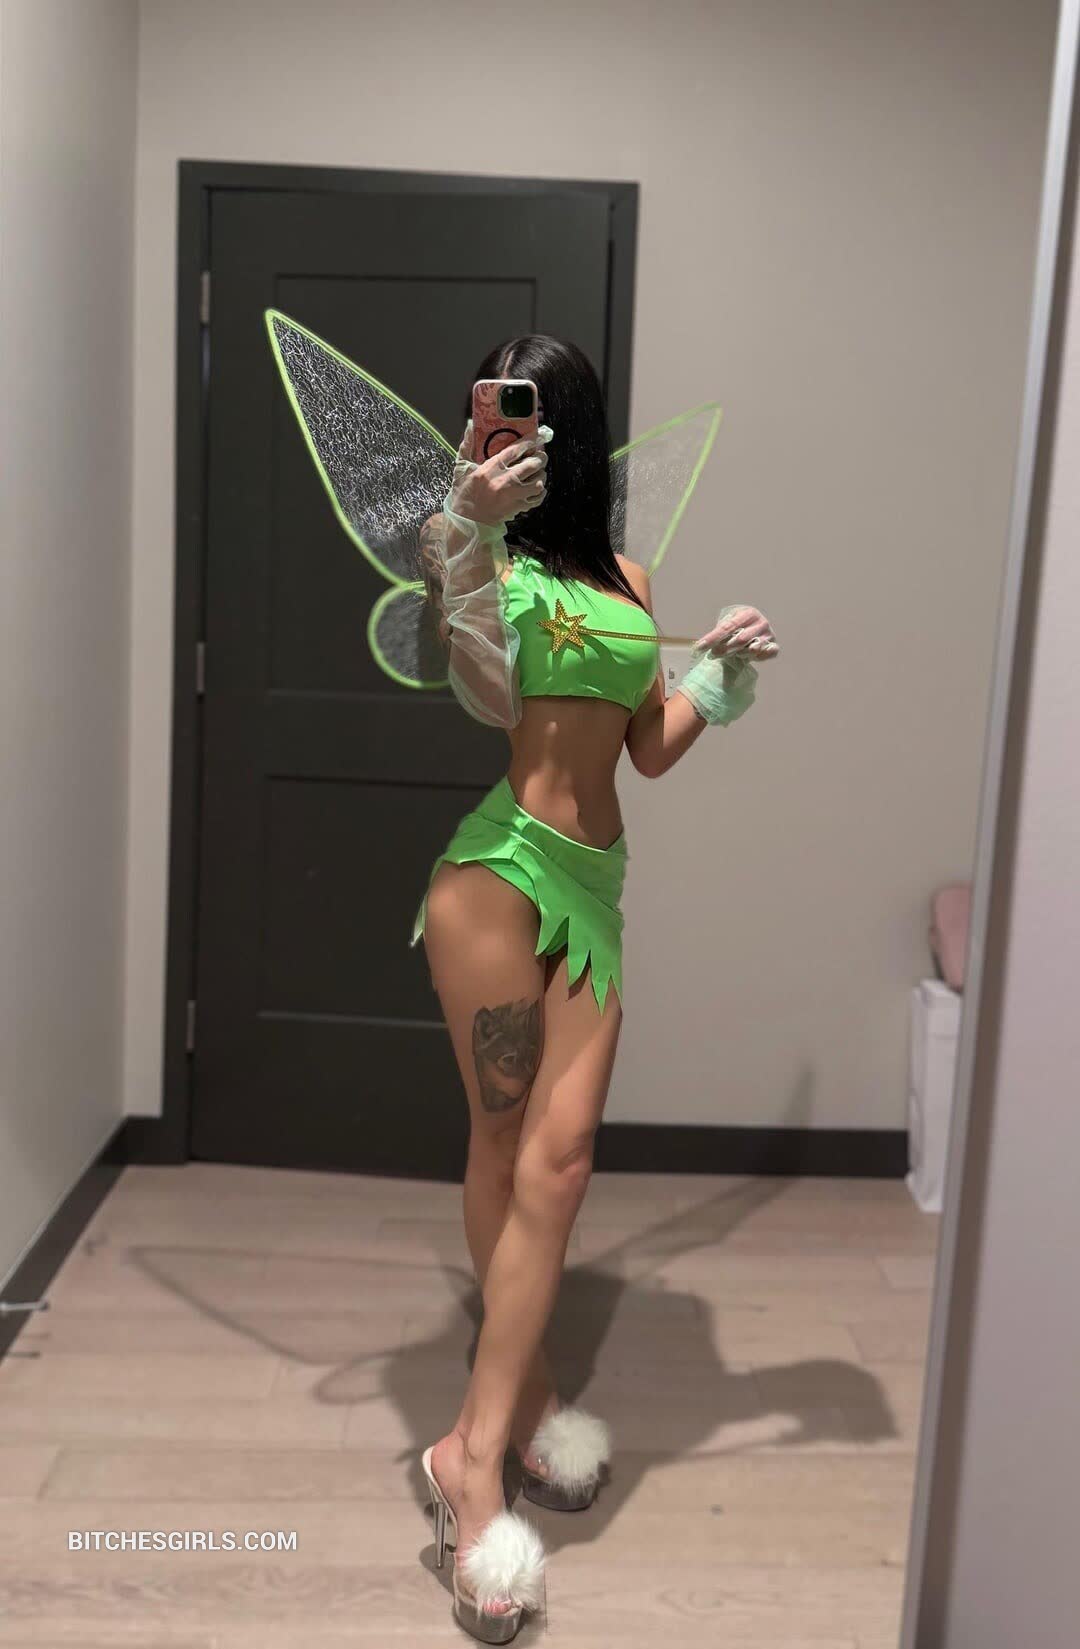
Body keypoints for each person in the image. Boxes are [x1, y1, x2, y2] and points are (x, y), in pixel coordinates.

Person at [414, 335, 778, 1642]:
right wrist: (464, 533)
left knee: (559, 1166)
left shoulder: (630, 579)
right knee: (508, 1147)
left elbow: (648, 751)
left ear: (572, 429)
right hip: (499, 877)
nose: (507, 432)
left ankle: (506, 1407)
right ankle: (477, 1466)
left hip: (595, 890)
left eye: (531, 415)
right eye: (491, 414)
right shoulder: (470, 553)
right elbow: (483, 691)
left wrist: (716, 676)